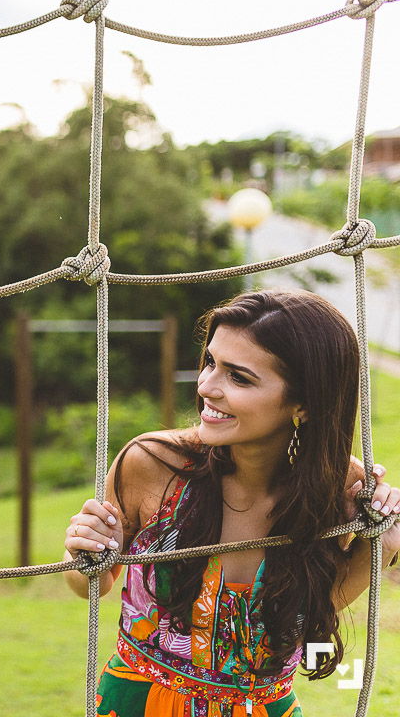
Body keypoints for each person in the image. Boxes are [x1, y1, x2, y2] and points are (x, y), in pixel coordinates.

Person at [61, 290, 400, 717]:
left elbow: (308, 621)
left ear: (304, 404)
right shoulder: (150, 463)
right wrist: (82, 551)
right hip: (139, 704)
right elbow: (88, 585)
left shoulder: (338, 488)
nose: (206, 386)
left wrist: (381, 547)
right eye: (210, 363)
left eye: (238, 377)